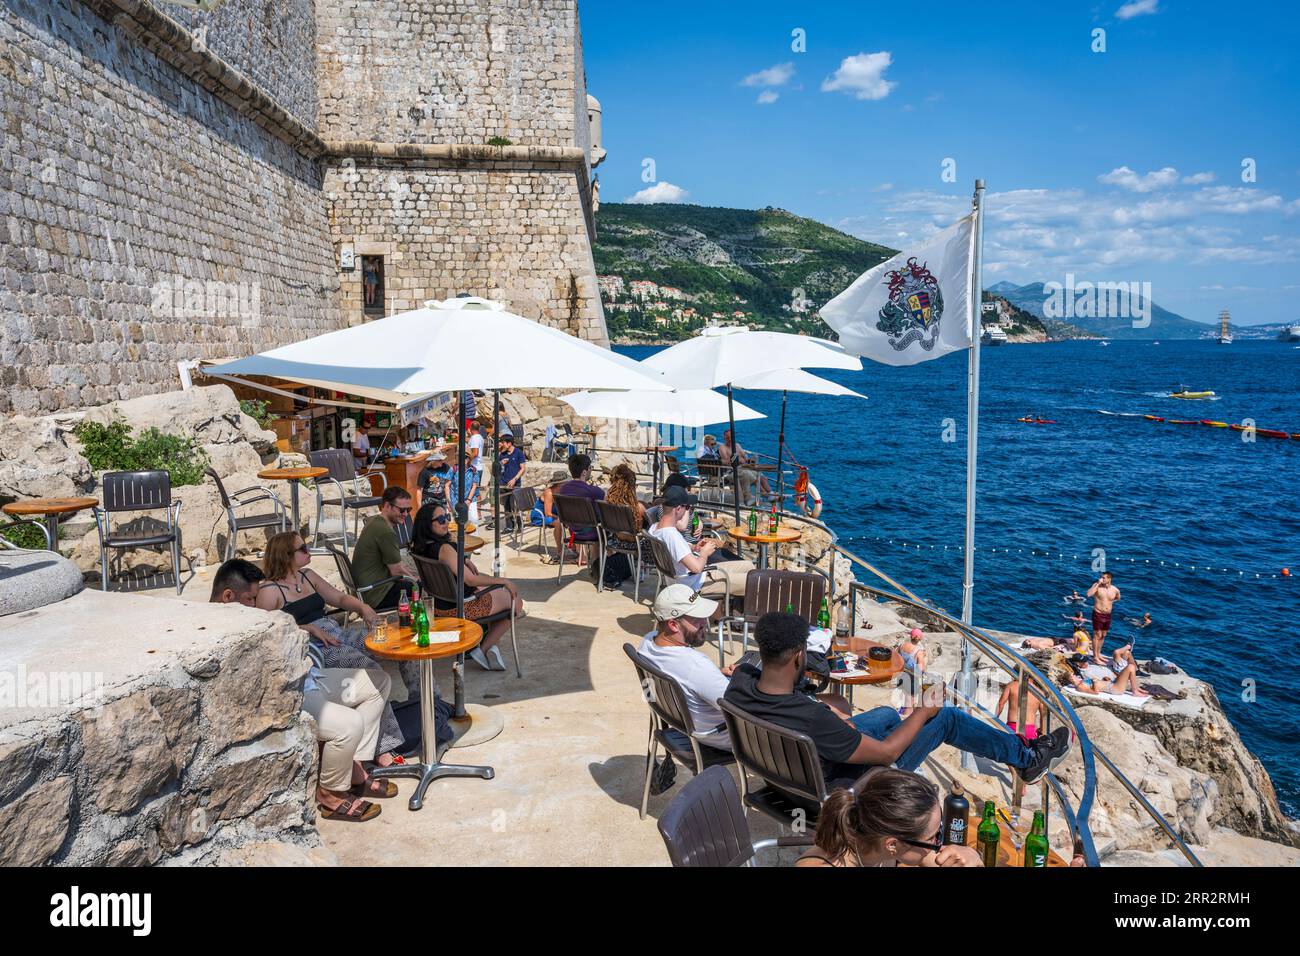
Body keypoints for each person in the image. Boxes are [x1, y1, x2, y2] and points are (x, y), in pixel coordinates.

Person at [723, 612, 1071, 789]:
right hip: (847, 787)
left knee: (888, 713)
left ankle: (1022, 754)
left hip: (789, 771)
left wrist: (826, 712)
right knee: (943, 718)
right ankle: (1026, 759)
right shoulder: (813, 721)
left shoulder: (740, 682)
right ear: (799, 656)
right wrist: (922, 713)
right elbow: (888, 754)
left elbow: (792, 707)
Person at [249, 539, 411, 760]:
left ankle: (426, 705)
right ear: (286, 555)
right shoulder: (270, 591)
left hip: (337, 633)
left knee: (401, 644)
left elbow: (339, 597)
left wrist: (362, 607)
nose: (309, 550)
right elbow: (269, 631)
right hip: (315, 646)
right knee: (370, 671)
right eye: (302, 548)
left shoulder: (307, 575)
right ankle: (382, 746)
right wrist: (307, 629)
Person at [636, 585, 732, 794]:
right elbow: (739, 707)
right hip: (719, 736)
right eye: (696, 620)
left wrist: (714, 676)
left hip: (680, 723)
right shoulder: (695, 665)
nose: (705, 625)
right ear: (673, 624)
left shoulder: (648, 642)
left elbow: (683, 676)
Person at [409, 499, 523, 672]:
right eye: (441, 520)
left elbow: (459, 569)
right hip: (462, 606)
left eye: (447, 516)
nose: (446, 521)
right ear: (427, 524)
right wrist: (504, 580)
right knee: (516, 601)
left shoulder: (419, 546)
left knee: (498, 593)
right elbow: (470, 580)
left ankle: (493, 647)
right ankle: (484, 649)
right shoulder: (444, 549)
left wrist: (464, 559)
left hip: (438, 604)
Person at [796, 769, 982, 867]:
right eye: (933, 838)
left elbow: (934, 859)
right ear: (892, 844)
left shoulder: (875, 838)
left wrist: (971, 856)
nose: (939, 844)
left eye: (939, 830)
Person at [648, 484, 753, 604]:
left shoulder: (655, 528)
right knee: (755, 581)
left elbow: (675, 549)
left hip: (691, 578)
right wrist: (704, 553)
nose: (688, 510)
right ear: (678, 509)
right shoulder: (672, 536)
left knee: (749, 566)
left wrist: (693, 547)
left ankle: (736, 612)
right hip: (696, 585)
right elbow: (697, 568)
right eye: (687, 507)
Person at [352, 486, 416, 611]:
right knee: (424, 589)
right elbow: (397, 571)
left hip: (366, 591)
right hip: (376, 595)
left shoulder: (375, 521)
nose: (406, 514)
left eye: (408, 509)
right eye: (402, 510)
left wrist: (413, 577)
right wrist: (416, 580)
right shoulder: (386, 532)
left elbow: (396, 567)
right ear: (387, 506)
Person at [551, 453, 605, 562]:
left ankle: (595, 566)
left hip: (574, 532)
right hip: (592, 533)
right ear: (584, 472)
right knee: (605, 531)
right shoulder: (594, 491)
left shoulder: (563, 489)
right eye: (590, 468)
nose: (591, 470)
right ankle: (599, 566)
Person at [718, 428, 772, 504]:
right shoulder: (722, 447)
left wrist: (748, 459)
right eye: (727, 438)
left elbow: (744, 455)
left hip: (742, 468)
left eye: (731, 437)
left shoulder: (737, 445)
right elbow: (727, 461)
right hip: (731, 471)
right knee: (750, 475)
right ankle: (759, 496)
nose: (729, 439)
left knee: (760, 475)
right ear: (724, 438)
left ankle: (770, 494)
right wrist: (736, 458)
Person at [1087, 571, 1120, 663]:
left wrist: (1109, 603)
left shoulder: (1115, 589)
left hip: (1108, 615)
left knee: (1103, 635)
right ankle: (1095, 657)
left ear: (1109, 579)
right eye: (1101, 577)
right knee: (1097, 635)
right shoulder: (1097, 586)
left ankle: (1098, 654)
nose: (1101, 579)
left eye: (1104, 578)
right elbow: (1088, 594)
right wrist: (1098, 584)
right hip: (1098, 613)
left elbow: (1118, 598)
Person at [498, 433, 527, 532]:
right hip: (503, 483)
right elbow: (497, 469)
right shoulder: (502, 454)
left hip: (515, 484)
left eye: (503, 442)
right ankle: (509, 526)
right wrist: (501, 463)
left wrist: (515, 479)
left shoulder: (519, 453)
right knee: (506, 506)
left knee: (516, 506)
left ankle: (520, 524)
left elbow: (523, 468)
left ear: (509, 443)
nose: (502, 444)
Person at [896, 628, 927, 716]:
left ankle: (901, 712)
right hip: (912, 678)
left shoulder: (902, 645)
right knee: (909, 704)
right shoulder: (918, 652)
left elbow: (896, 655)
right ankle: (905, 721)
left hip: (901, 675)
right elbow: (921, 669)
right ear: (920, 638)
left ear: (911, 636)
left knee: (904, 698)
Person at [605, 462, 647, 526]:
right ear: (631, 486)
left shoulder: (608, 503)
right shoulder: (637, 509)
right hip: (634, 536)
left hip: (616, 534)